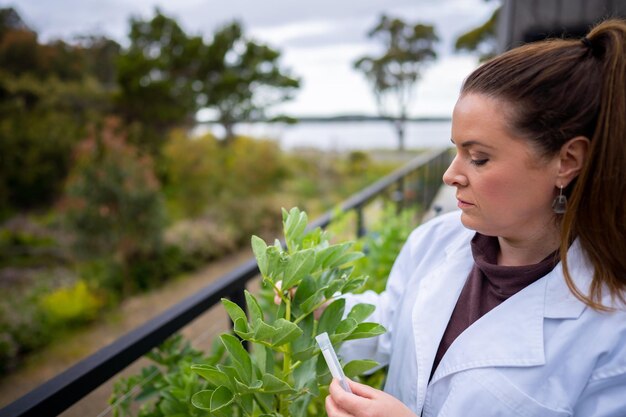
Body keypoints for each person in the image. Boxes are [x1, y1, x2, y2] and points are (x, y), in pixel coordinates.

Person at [326, 18, 626, 417]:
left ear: (567, 160)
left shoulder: (613, 330)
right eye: (455, 151)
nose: (451, 175)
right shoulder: (434, 241)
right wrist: (318, 301)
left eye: (478, 157)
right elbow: (391, 329)